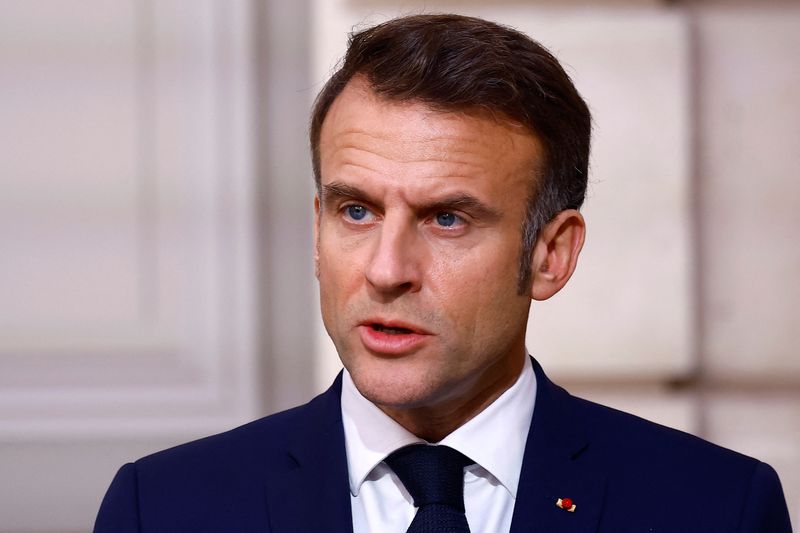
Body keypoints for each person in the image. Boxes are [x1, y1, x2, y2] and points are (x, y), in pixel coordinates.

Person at [94, 14, 792, 533]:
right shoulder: (162, 508)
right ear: (316, 231)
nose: (387, 269)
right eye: (357, 210)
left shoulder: (714, 507)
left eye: (447, 219)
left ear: (551, 254)